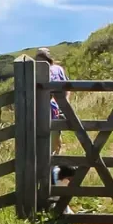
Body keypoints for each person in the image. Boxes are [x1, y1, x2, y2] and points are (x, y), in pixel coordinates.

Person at [36, 47, 68, 186]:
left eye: (42, 59)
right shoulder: (33, 72)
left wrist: (64, 105)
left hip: (53, 112)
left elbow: (66, 88)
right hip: (38, 115)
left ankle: (53, 183)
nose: (40, 62)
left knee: (54, 147)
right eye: (38, 59)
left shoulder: (57, 69)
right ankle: (46, 182)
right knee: (42, 148)